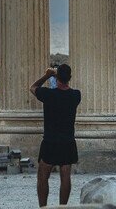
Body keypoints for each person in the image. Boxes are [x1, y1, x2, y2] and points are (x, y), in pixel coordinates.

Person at [32, 64, 81, 207]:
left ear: (57, 77)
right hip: (68, 140)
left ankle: (43, 207)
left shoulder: (48, 94)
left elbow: (33, 87)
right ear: (70, 78)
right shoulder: (76, 95)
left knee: (42, 176)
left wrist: (47, 75)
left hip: (50, 141)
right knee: (65, 176)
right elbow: (66, 89)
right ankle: (62, 207)